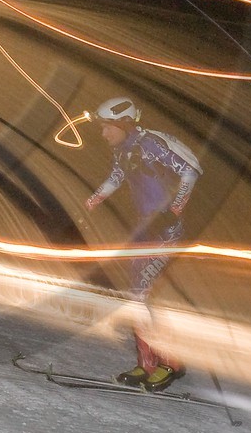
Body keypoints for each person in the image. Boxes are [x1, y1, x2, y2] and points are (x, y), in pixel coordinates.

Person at [83, 96, 202, 392]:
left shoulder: (151, 143)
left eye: (108, 127)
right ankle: (147, 364)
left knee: (144, 296)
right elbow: (117, 176)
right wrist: (92, 200)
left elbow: (191, 170)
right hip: (143, 230)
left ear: (124, 123)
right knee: (136, 297)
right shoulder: (124, 149)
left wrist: (173, 209)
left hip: (166, 231)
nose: (103, 133)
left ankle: (171, 363)